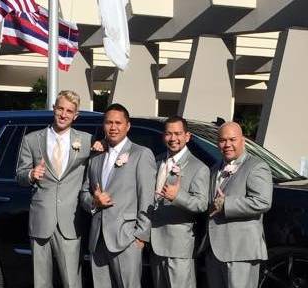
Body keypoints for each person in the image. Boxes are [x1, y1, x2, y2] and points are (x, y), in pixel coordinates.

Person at [15, 90, 92, 288]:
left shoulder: (87, 141)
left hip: (70, 221)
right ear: (54, 109)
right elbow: (19, 176)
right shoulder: (32, 140)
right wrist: (31, 175)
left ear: (76, 115)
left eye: (69, 111)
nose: (64, 114)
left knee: (72, 281)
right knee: (40, 282)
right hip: (41, 220)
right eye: (60, 109)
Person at [79, 103, 156, 288]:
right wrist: (94, 202)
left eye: (118, 123)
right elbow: (83, 193)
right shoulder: (96, 157)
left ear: (127, 126)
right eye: (108, 122)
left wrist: (141, 235)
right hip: (98, 239)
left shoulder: (141, 154)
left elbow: (147, 196)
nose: (113, 127)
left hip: (126, 237)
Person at [205, 121, 273, 288]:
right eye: (222, 140)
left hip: (240, 251)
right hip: (214, 251)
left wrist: (226, 204)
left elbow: (263, 202)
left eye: (232, 139)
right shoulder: (215, 169)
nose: (227, 144)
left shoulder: (256, 166)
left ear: (243, 140)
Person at [150, 116, 210, 288]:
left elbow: (201, 204)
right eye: (168, 134)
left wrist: (177, 197)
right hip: (155, 242)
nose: (173, 138)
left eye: (178, 133)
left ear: (187, 136)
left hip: (179, 246)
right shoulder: (156, 161)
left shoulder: (199, 167)